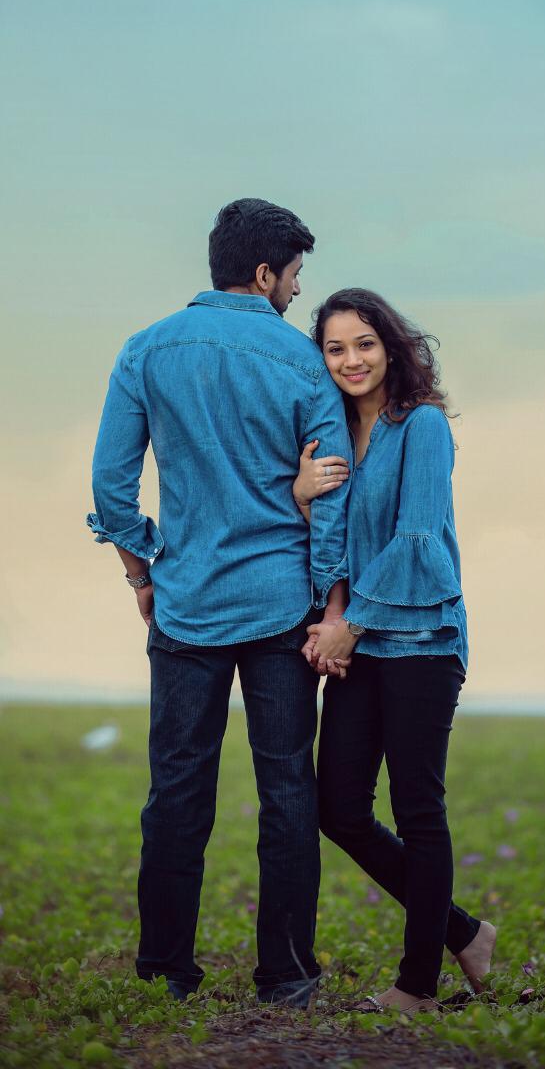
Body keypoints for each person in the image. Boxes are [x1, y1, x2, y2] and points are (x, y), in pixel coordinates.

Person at [86, 198, 351, 1007]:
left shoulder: (145, 349)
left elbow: (109, 485)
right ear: (265, 272)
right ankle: (287, 976)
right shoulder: (303, 362)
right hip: (280, 604)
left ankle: (165, 970)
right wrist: (322, 597)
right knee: (286, 792)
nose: (298, 293)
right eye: (295, 276)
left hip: (186, 604)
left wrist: (144, 574)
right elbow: (332, 491)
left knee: (175, 792)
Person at [293, 288, 497, 1012]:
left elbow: (414, 539)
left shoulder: (424, 427)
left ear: (391, 346)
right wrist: (301, 498)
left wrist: (354, 623)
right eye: (335, 347)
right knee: (340, 808)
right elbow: (340, 545)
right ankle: (465, 934)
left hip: (421, 640)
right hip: (363, 639)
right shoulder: (333, 432)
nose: (351, 360)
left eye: (364, 344)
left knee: (418, 810)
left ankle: (417, 985)